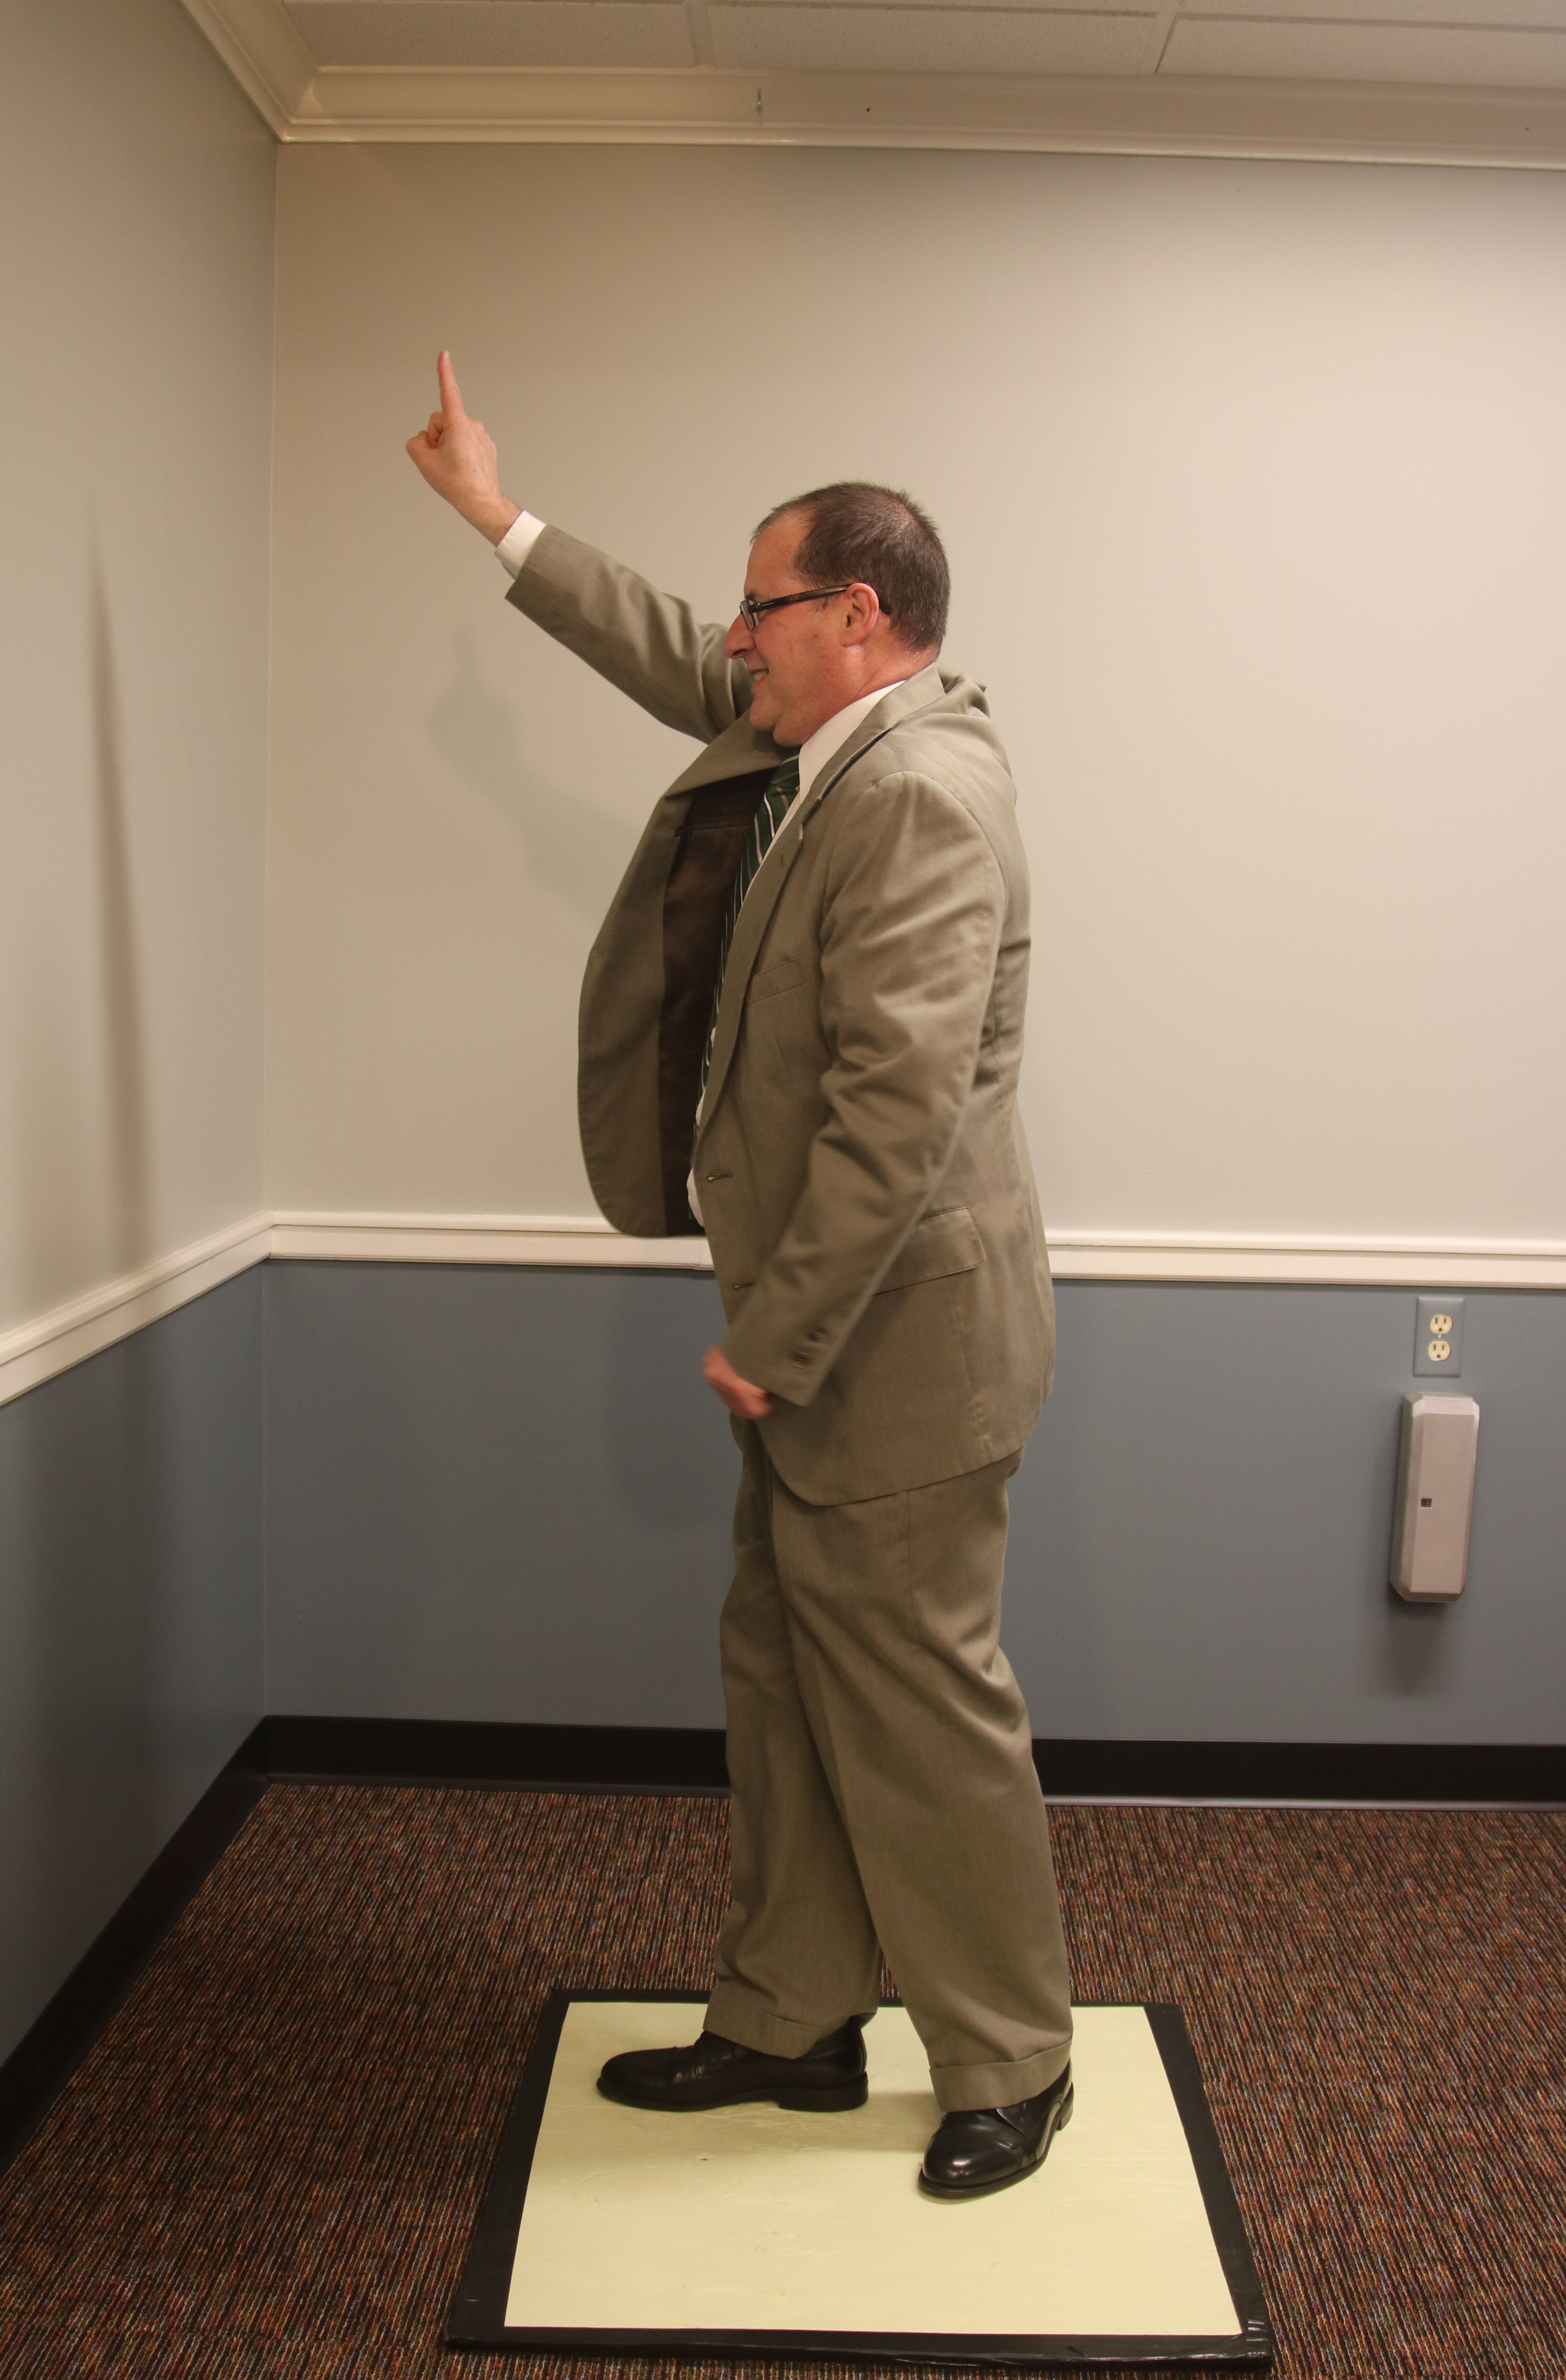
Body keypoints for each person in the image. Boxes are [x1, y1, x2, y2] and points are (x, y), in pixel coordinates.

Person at [408, 352, 1073, 2200]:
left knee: (920, 1707)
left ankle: (1011, 2059)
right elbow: (662, 646)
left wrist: (774, 1338)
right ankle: (790, 2018)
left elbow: (898, 1110)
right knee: (781, 1680)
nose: (731, 636)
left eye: (761, 605)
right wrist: (494, 512)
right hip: (829, 1344)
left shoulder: (917, 795)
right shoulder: (820, 745)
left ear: (855, 617)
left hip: (890, 1354)